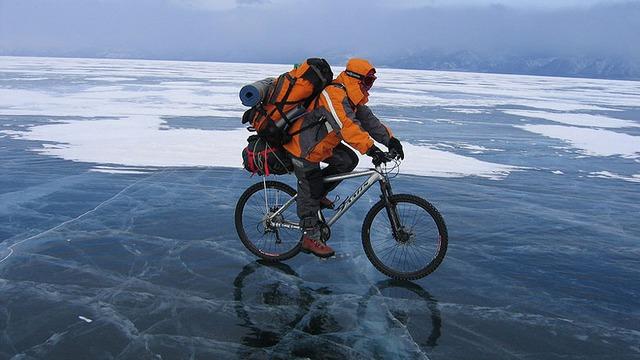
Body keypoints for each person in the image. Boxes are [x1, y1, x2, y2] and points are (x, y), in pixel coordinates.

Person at [283, 58, 405, 258]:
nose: (368, 87)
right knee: (311, 185)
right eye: (367, 82)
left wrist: (391, 141)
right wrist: (371, 149)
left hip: (320, 146)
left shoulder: (351, 98)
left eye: (371, 82)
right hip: (301, 147)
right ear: (355, 78)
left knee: (348, 161)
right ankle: (310, 236)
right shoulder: (332, 94)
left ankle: (318, 194)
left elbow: (370, 122)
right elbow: (346, 126)